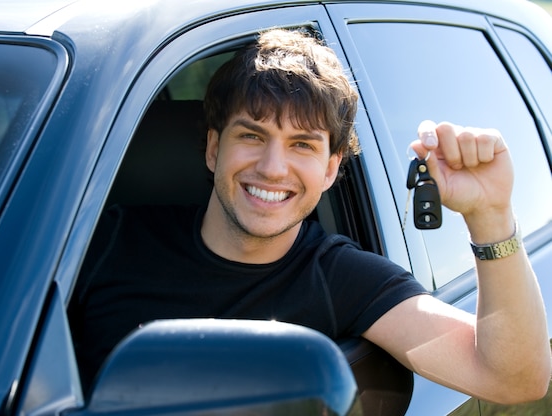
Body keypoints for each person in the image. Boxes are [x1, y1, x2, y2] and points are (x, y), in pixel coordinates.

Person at [68, 28, 551, 403]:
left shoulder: (343, 279)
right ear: (214, 148)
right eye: (252, 136)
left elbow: (512, 380)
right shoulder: (101, 243)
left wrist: (489, 214)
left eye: (302, 145)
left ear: (330, 170)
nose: (273, 168)